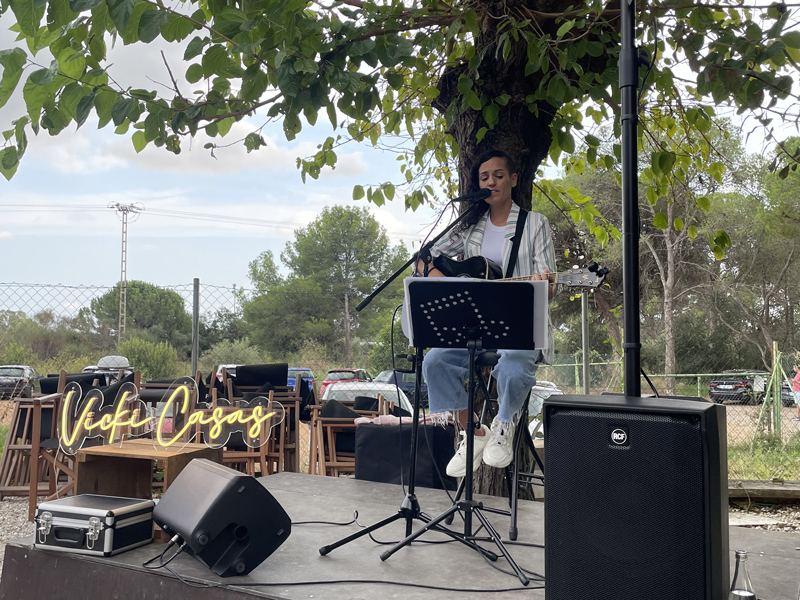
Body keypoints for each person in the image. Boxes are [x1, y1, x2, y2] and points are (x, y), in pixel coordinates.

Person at [416, 149, 557, 477]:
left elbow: (552, 286)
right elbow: (423, 259)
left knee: (514, 363)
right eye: (484, 177)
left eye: (498, 175)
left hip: (520, 324)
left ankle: (504, 425)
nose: (491, 182)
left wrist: (543, 285)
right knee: (435, 362)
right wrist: (439, 278)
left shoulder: (534, 224)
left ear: (513, 180)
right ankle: (475, 432)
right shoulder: (469, 226)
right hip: (476, 325)